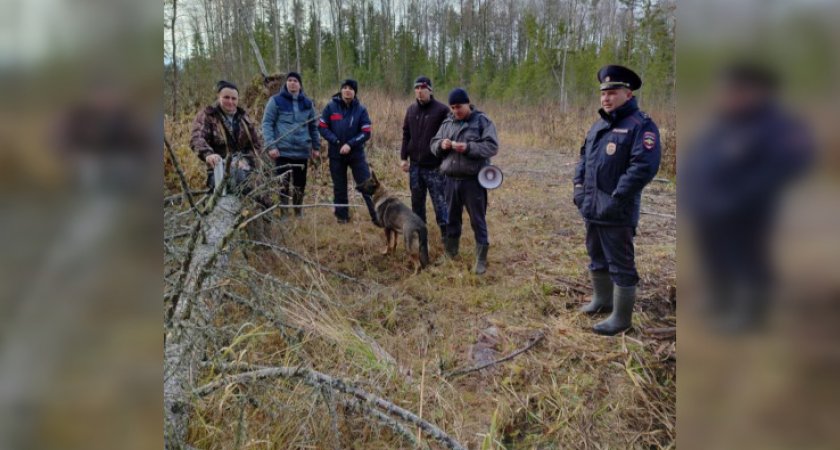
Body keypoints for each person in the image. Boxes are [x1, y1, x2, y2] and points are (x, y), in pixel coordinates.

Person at [681, 63, 812, 332]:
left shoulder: (778, 125)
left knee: (748, 258)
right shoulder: (723, 123)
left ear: (758, 91)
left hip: (750, 209)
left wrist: (737, 199)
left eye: (736, 89)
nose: (728, 95)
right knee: (713, 254)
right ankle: (720, 300)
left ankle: (752, 315)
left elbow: (784, 168)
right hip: (710, 207)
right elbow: (698, 159)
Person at [573, 65, 661, 336]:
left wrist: (617, 197)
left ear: (628, 93)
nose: (606, 98)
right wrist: (578, 188)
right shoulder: (599, 124)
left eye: (613, 92)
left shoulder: (640, 125)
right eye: (603, 93)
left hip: (617, 209)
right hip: (591, 207)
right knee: (596, 255)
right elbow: (584, 159)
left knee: (620, 262)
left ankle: (621, 319)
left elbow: (643, 167)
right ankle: (602, 300)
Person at [430, 88, 499, 275]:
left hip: (473, 182)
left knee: (478, 220)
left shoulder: (482, 121)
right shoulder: (447, 122)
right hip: (450, 181)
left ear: (468, 103)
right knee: (451, 219)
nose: (455, 111)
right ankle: (451, 253)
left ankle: (481, 259)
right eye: (452, 107)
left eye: (459, 106)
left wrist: (468, 148)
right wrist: (441, 145)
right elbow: (433, 143)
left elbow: (492, 146)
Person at [318, 79, 379, 225]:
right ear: (341, 90)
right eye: (344, 88)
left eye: (351, 88)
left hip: (356, 155)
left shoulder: (361, 110)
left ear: (355, 92)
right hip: (336, 154)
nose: (347, 90)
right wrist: (335, 141)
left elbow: (366, 132)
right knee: (339, 187)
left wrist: (350, 144)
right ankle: (342, 217)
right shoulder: (331, 107)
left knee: (367, 185)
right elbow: (322, 126)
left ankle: (377, 217)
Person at [261, 72, 320, 217]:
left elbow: (313, 126)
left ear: (300, 84)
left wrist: (316, 146)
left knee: (300, 184)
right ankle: (284, 213)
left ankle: (298, 211)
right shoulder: (275, 101)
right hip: (282, 152)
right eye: (289, 80)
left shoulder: (307, 103)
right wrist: (271, 146)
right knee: (283, 185)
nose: (292, 83)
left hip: (301, 151)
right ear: (286, 83)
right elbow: (267, 124)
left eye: (295, 81)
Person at [190, 80, 263, 194]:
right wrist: (208, 155)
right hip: (219, 169)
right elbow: (196, 138)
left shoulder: (244, 118)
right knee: (239, 178)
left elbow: (256, 145)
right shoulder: (208, 115)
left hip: (246, 166)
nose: (230, 101)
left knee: (265, 187)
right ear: (219, 97)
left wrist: (246, 161)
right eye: (226, 97)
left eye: (234, 99)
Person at [400, 76, 450, 236]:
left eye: (423, 88)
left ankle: (448, 240)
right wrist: (403, 158)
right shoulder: (411, 110)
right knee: (417, 204)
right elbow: (406, 134)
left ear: (430, 90)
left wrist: (446, 160)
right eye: (417, 88)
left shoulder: (442, 110)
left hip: (435, 167)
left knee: (440, 204)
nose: (420, 91)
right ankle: (420, 237)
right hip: (415, 167)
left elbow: (449, 135)